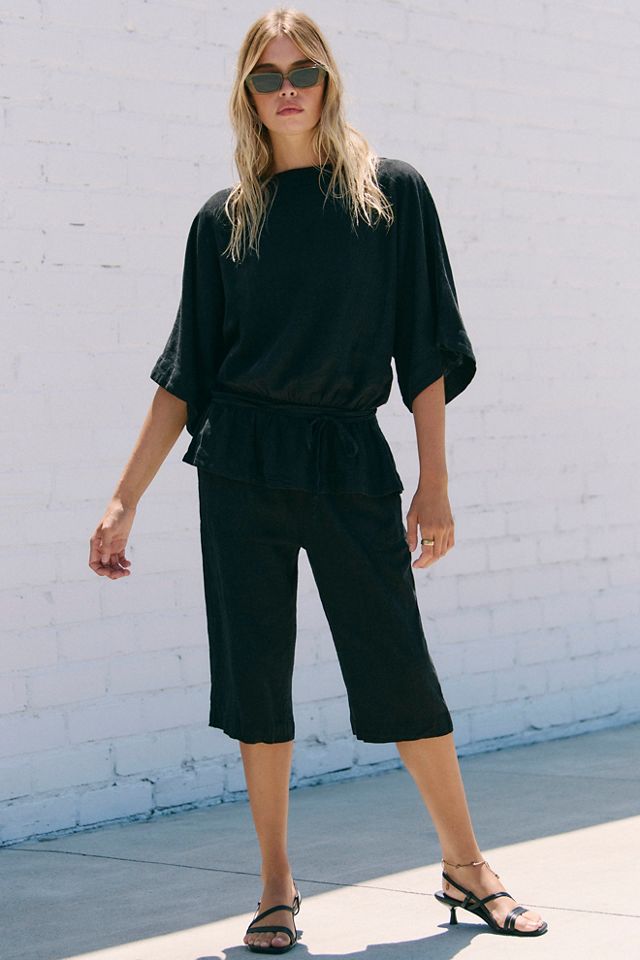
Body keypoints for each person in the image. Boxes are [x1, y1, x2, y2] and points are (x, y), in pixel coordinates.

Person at [89, 7, 548, 953]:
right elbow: (186, 375)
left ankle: (467, 867)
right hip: (241, 466)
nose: (287, 88)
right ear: (247, 96)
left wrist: (435, 482)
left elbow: (424, 348)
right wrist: (123, 499)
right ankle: (275, 885)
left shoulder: (390, 196)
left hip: (347, 457)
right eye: (267, 76)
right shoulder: (224, 219)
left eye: (303, 71)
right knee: (256, 677)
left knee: (398, 663)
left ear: (329, 81)